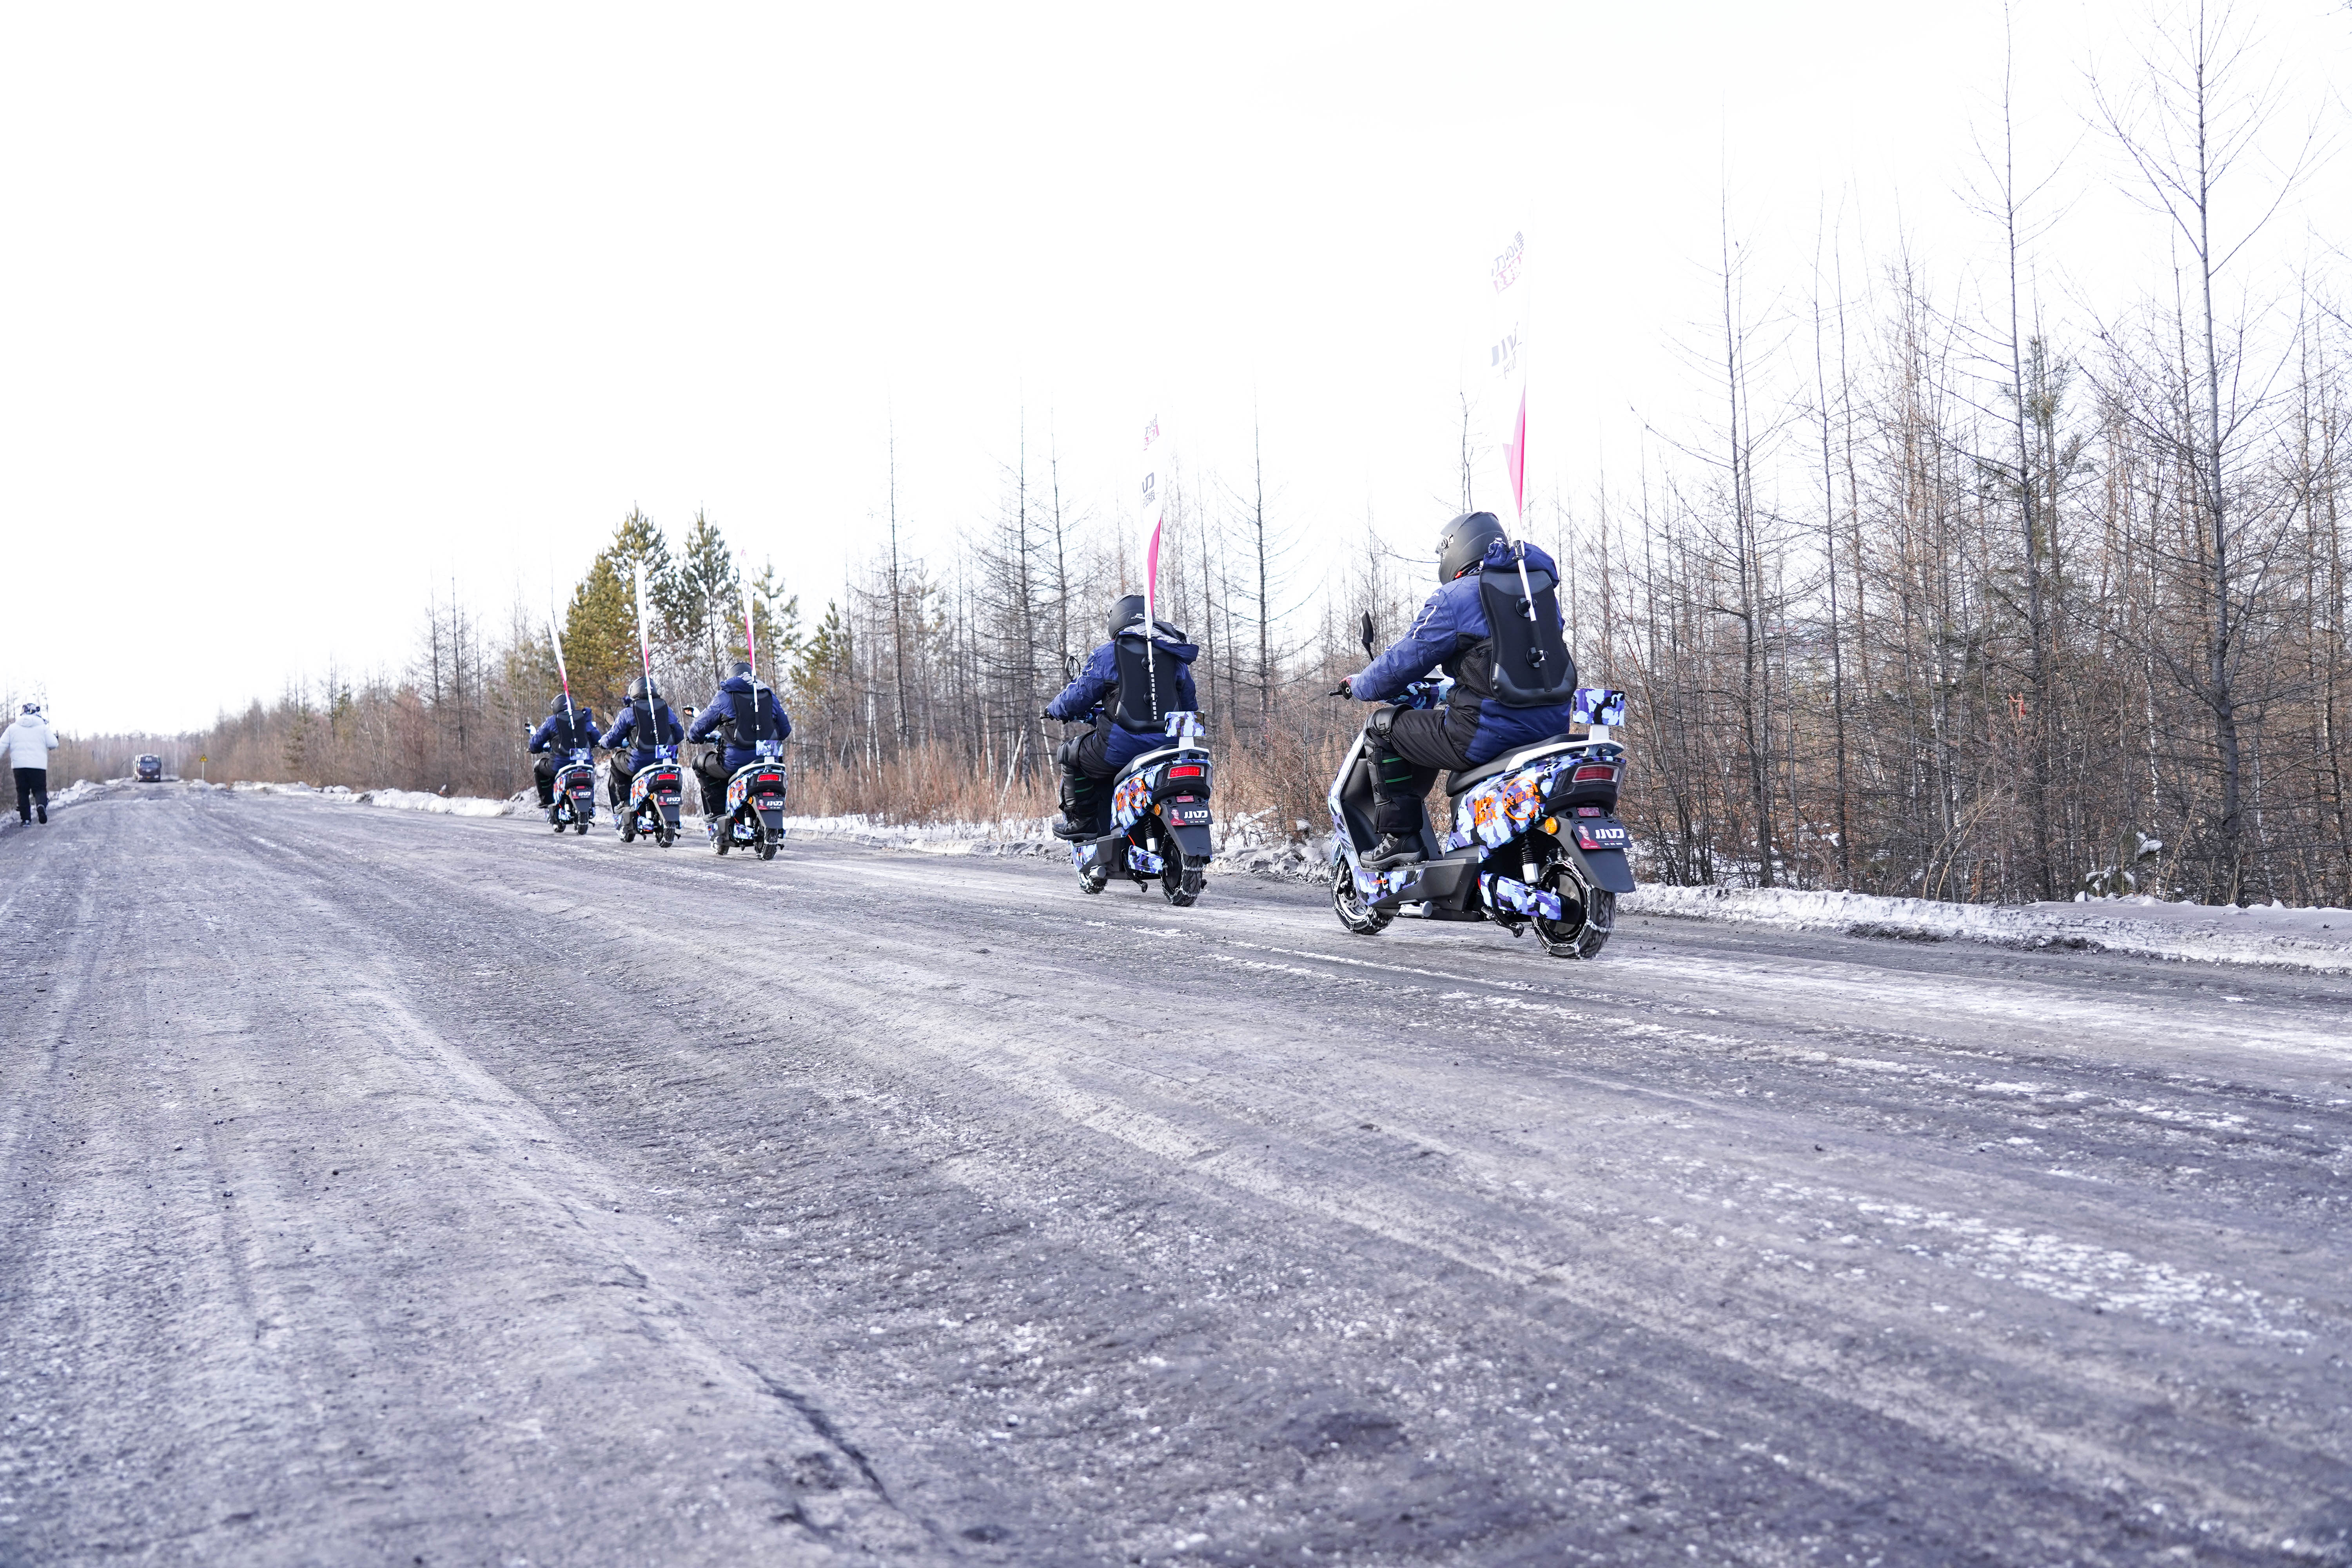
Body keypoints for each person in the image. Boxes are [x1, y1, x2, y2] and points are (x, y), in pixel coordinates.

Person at [1339, 511, 1580, 867]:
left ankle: (1399, 838)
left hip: (1485, 736)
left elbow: (1400, 663)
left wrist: (1360, 684)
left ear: (1456, 550)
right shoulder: (1539, 593)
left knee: (1381, 727)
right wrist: (1442, 692)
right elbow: (1503, 669)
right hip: (1551, 731)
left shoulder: (1456, 596)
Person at [1044, 594, 1200, 840]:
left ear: (1117, 619)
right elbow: (1190, 705)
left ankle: (1081, 821)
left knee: (1069, 753)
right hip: (1168, 748)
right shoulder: (1173, 655)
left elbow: (1078, 696)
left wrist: (1054, 709)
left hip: (1120, 749)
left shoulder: (1108, 653)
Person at [687, 662, 791, 839]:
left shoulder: (726, 696)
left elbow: (701, 724)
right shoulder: (768, 696)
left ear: (731, 677)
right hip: (768, 760)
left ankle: (718, 814)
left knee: (699, 763)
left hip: (735, 762)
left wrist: (694, 737)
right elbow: (785, 730)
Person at [599, 676, 684, 811]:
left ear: (634, 692)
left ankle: (626, 801)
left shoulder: (628, 712)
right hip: (667, 760)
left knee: (616, 761)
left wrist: (602, 743)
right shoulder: (666, 710)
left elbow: (612, 739)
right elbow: (679, 735)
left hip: (639, 762)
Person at [526, 695, 600, 809]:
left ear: (556, 706)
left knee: (538, 767)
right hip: (586, 763)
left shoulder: (552, 721)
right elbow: (598, 739)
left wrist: (534, 749)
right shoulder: (584, 718)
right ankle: (590, 801)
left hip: (560, 764)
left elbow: (535, 743)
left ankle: (547, 801)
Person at [3, 702, 59, 825]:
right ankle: (41, 806)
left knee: (22, 792)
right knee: (39, 790)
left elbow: (2, 744)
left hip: (19, 766)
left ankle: (26, 820)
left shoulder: (12, 728)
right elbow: (53, 744)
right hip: (38, 766)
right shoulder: (42, 728)